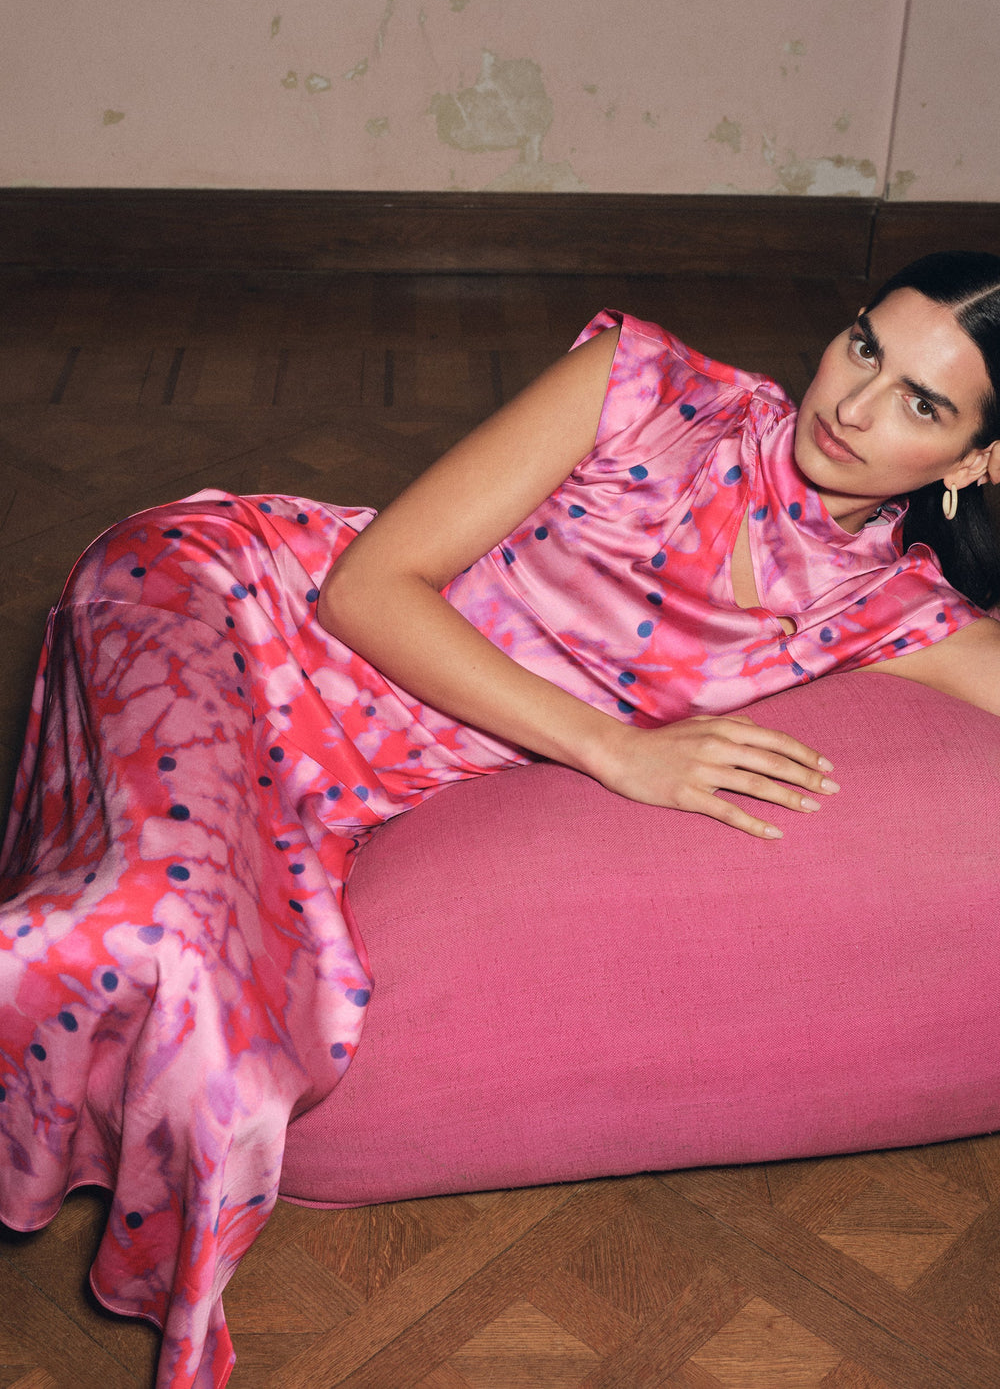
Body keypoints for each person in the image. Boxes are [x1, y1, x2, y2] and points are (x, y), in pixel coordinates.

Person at [1, 250, 999, 1389]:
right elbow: (364, 589)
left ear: (978, 459)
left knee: (227, 1036)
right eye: (865, 346)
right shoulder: (646, 386)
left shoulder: (887, 608)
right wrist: (615, 749)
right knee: (143, 925)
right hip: (229, 620)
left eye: (921, 403)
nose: (854, 405)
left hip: (338, 791)